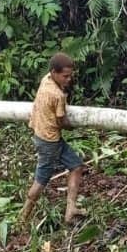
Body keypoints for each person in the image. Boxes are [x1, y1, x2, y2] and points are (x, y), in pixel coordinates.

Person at [19, 53, 86, 225]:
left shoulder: (46, 79)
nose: (69, 79)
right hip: (50, 141)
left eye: (70, 75)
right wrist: (74, 126)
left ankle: (70, 209)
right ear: (54, 73)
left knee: (76, 166)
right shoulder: (58, 95)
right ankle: (23, 216)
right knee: (41, 179)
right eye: (65, 76)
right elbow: (61, 121)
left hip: (41, 134)